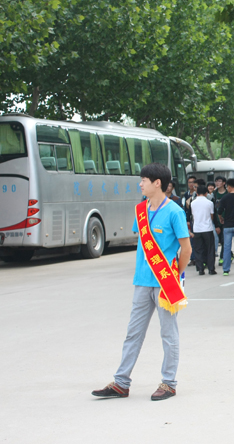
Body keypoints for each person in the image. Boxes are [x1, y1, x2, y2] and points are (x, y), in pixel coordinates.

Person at [92, 163, 191, 401]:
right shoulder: (141, 210)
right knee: (133, 333)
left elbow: (186, 249)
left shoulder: (175, 212)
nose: (140, 184)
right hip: (142, 281)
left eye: (144, 180)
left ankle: (169, 383)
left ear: (158, 183)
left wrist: (175, 274)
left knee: (168, 334)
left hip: (165, 283)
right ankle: (121, 383)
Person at [191, 184, 217, 276]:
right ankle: (211, 269)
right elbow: (212, 215)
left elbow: (193, 215)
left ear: (197, 193)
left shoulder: (192, 203)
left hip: (197, 229)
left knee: (198, 249)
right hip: (207, 228)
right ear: (206, 193)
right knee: (210, 249)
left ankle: (200, 269)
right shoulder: (209, 203)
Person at [212, 176, 228, 263]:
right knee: (219, 240)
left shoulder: (228, 193)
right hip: (216, 220)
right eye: (216, 181)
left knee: (224, 240)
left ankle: (222, 257)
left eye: (219, 181)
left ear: (224, 183)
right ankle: (230, 254)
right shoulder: (214, 194)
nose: (217, 183)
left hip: (227, 219)